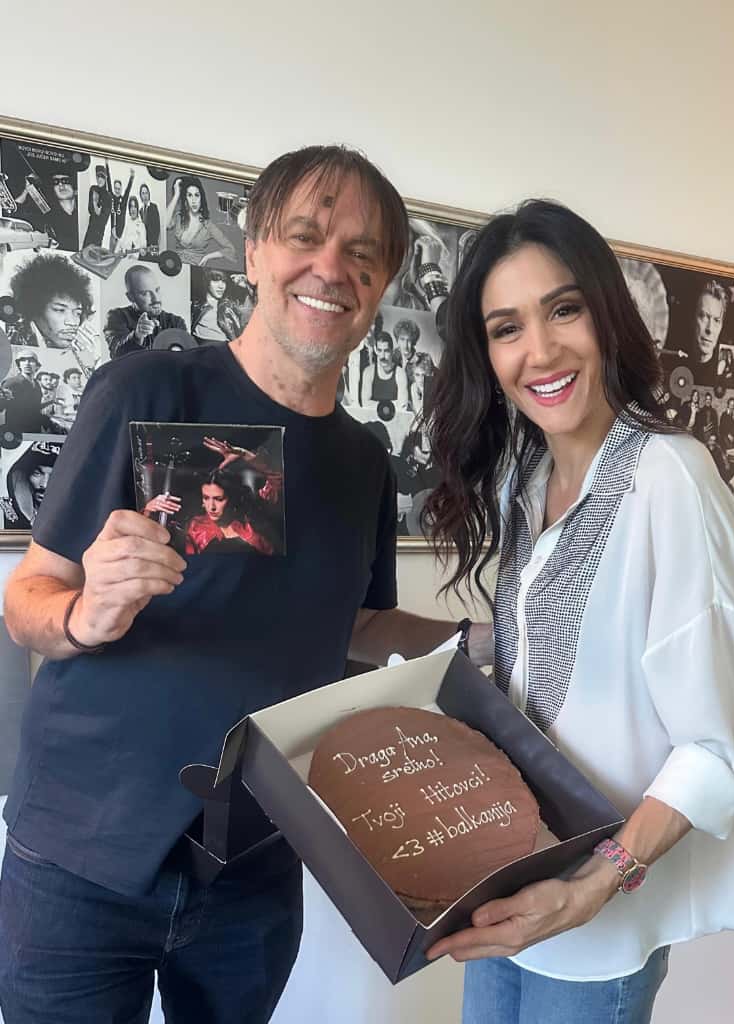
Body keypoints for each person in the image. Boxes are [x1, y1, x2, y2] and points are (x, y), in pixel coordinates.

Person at [0, 144, 492, 1024]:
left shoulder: (363, 462)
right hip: (82, 854)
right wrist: (85, 613)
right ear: (255, 252)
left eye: (362, 255)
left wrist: (487, 638)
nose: (330, 268)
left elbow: (361, 623)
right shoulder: (148, 389)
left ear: (381, 286)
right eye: (304, 237)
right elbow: (27, 598)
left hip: (252, 861)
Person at [423, 200, 734, 1023]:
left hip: (598, 922)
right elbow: (548, 664)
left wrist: (590, 889)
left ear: (607, 314)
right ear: (486, 354)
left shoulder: (669, 477)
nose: (539, 350)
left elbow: (715, 747)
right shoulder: (526, 481)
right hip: (512, 885)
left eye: (563, 310)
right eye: (506, 328)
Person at [6, 252, 96, 354]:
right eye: (60, 310)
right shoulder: (11, 344)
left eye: (77, 313)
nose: (72, 322)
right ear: (34, 310)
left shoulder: (79, 349)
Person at [104, 265, 188, 358]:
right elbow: (116, 353)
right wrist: (137, 336)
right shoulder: (117, 317)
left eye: (157, 290)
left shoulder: (176, 322)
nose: (156, 299)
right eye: (145, 293)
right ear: (130, 297)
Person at [167, 174, 237, 267]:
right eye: (189, 195)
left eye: (197, 195)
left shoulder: (208, 226)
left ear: (201, 198)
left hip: (195, 269)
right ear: (185, 199)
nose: (194, 200)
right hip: (176, 267)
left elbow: (231, 250)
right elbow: (165, 224)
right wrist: (176, 195)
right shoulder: (179, 217)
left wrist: (207, 257)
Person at [0, 349, 61, 435]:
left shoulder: (36, 384)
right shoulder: (12, 383)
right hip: (17, 433)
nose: (27, 363)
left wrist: (51, 402)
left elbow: (33, 408)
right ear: (19, 365)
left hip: (34, 430)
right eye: (23, 360)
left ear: (37, 366)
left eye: (31, 361)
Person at [683, 279, 727, 387]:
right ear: (693, 319)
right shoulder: (675, 363)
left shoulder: (724, 375)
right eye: (703, 316)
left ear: (721, 326)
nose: (710, 329)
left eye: (716, 320)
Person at [191, 268, 242, 343]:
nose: (221, 286)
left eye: (224, 281)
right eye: (215, 280)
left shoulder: (229, 306)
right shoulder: (196, 306)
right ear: (207, 282)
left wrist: (247, 285)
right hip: (201, 345)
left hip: (224, 346)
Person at [360, 331, 408, 408]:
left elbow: (403, 405)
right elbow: (365, 404)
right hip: (372, 416)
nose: (382, 356)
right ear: (376, 350)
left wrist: (375, 404)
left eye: (386, 351)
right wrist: (392, 404)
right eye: (379, 350)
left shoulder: (400, 373)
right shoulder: (368, 372)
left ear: (392, 351)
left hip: (395, 416)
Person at [83, 165, 113, 248]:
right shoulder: (93, 189)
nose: (99, 179)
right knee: (84, 251)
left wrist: (96, 206)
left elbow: (103, 220)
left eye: (102, 176)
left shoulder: (108, 196)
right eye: (98, 176)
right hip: (90, 229)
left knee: (94, 253)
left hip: (99, 234)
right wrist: (95, 204)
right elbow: (90, 209)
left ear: (105, 178)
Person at [139, 182, 161, 252]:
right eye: (143, 193)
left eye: (146, 193)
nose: (145, 195)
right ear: (140, 195)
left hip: (153, 244)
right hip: (144, 246)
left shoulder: (154, 207)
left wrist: (153, 244)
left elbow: (157, 228)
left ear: (149, 194)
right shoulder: (140, 211)